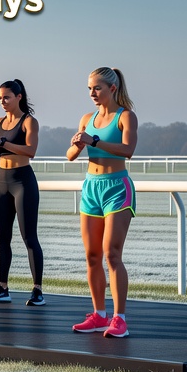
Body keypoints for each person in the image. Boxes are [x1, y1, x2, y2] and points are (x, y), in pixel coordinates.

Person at [66, 67, 139, 338]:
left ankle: (120, 319)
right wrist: (78, 144)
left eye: (97, 88)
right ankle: (99, 315)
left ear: (112, 88)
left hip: (117, 188)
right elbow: (70, 155)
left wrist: (94, 140)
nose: (92, 93)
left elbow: (128, 150)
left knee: (112, 254)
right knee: (92, 256)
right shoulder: (87, 118)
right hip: (91, 188)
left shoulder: (125, 116)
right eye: (89, 89)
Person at [0, 79, 44, 306]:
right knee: (2, 238)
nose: (3, 102)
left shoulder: (29, 121)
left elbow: (31, 150)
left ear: (18, 97)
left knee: (29, 237)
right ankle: (2, 288)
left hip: (22, 181)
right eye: (0, 98)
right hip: (2, 182)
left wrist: (3, 142)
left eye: (6, 97)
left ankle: (37, 290)